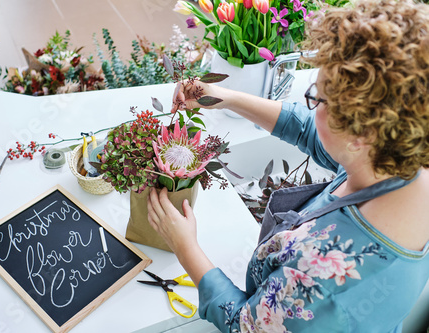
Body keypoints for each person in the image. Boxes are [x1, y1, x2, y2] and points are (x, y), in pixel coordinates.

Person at [147, 0, 429, 331]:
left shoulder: (324, 278)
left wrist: (185, 246)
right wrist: (227, 97)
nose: (311, 104)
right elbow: (313, 131)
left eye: (318, 98)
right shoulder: (395, 156)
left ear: (360, 135)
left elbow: (245, 325)